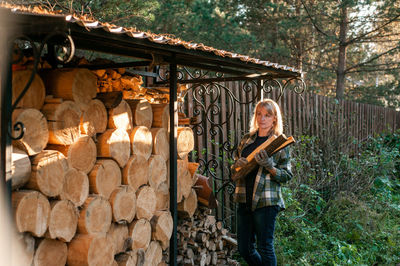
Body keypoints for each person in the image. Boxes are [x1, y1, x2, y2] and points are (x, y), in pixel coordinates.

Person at [232, 99, 293, 266]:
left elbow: (286, 175)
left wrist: (270, 166)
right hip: (245, 198)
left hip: (266, 201)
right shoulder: (247, 140)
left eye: (267, 115)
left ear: (274, 118)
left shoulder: (279, 143)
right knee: (244, 248)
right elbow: (233, 172)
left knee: (264, 247)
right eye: (259, 114)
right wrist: (237, 166)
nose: (262, 118)